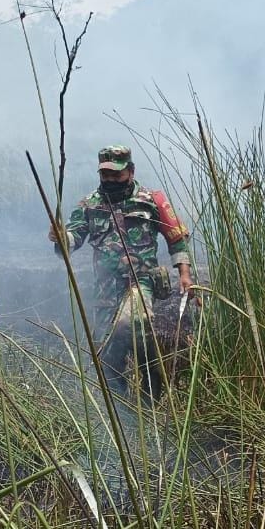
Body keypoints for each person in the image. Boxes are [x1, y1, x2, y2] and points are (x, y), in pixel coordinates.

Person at [48, 145, 192, 399]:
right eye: (106, 175)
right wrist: (61, 238)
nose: (111, 180)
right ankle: (120, 409)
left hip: (141, 281)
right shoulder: (89, 204)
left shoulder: (152, 200)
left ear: (131, 171)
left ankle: (150, 403)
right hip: (106, 287)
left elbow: (176, 239)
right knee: (105, 348)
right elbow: (72, 240)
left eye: (117, 174)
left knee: (132, 326)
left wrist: (184, 275)